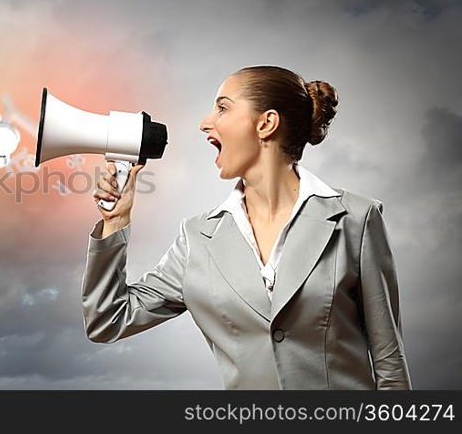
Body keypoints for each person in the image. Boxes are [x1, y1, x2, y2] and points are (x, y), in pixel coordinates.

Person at [82, 65, 411, 389]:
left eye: (222, 108)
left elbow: (390, 368)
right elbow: (108, 320)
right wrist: (116, 222)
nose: (205, 123)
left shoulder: (356, 219)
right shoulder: (197, 238)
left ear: (266, 123)